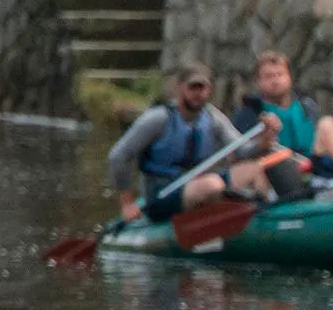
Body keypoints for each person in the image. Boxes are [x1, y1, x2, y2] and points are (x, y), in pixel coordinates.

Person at [106, 63, 271, 220]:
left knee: (255, 168)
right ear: (180, 87)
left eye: (202, 88)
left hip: (202, 182)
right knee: (212, 185)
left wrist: (265, 139)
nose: (198, 93)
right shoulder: (158, 118)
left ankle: (260, 218)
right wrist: (127, 203)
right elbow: (117, 156)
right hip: (163, 192)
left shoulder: (213, 118)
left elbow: (243, 151)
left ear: (209, 90)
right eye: (192, 87)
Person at [234, 52, 319, 195]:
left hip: (307, 169)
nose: (275, 80)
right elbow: (242, 153)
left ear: (289, 77)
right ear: (258, 81)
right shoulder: (249, 112)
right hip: (271, 174)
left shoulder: (307, 107)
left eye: (280, 74)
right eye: (268, 76)